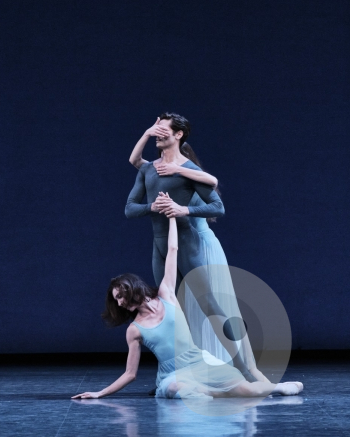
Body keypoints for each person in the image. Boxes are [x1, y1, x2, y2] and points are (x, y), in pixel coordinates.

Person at [72, 213, 304, 400]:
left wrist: (172, 217)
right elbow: (130, 374)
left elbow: (172, 251)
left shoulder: (165, 294)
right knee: (174, 387)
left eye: (120, 295)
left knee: (243, 390)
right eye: (117, 300)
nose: (120, 302)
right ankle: (207, 395)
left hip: (199, 363)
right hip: (173, 375)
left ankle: (277, 388)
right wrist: (100, 393)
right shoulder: (134, 330)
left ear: (131, 287)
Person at [128, 115, 268, 383]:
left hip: (189, 243)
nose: (157, 133)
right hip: (161, 245)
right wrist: (151, 207)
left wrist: (184, 208)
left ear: (179, 135)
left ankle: (248, 370)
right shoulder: (151, 169)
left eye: (163, 129)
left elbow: (217, 203)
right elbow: (132, 191)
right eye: (155, 128)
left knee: (211, 308)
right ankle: (174, 376)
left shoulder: (188, 170)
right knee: (171, 314)